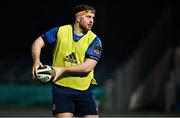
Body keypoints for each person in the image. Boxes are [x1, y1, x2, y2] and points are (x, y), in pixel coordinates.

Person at [31, 4, 102, 118]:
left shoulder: (94, 40)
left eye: (93, 18)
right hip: (61, 89)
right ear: (78, 18)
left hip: (84, 91)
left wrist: (62, 69)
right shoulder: (60, 31)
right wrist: (36, 61)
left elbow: (88, 66)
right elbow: (37, 43)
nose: (92, 20)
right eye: (88, 17)